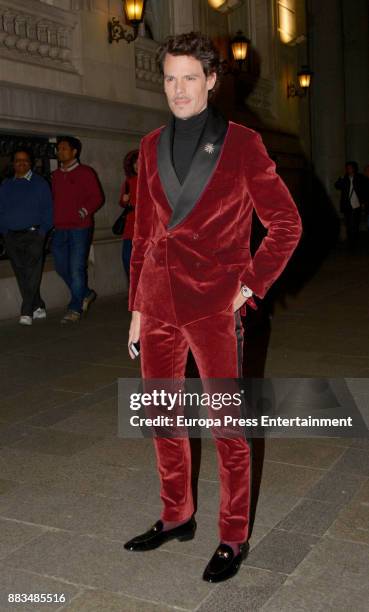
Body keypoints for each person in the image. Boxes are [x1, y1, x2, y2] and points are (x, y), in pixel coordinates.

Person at [124, 32, 302, 583]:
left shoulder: (243, 143)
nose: (178, 90)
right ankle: (176, 514)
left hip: (214, 307)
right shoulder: (151, 144)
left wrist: (247, 287)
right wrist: (135, 308)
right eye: (170, 78)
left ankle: (233, 534)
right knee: (162, 419)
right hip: (156, 305)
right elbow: (146, 232)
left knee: (227, 426)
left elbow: (287, 225)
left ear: (211, 81)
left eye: (189, 78)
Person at [51, 136, 103, 323]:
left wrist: (82, 212)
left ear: (74, 152)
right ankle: (86, 293)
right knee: (60, 265)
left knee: (76, 268)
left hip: (80, 228)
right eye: (59, 148)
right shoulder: (56, 175)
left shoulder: (85, 172)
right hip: (60, 228)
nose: (60, 151)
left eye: (64, 148)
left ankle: (75, 307)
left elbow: (97, 197)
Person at [0, 148, 53, 325]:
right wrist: (4, 230)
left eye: (25, 160)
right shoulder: (6, 184)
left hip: (34, 235)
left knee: (32, 272)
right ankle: (38, 305)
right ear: (13, 163)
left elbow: (49, 209)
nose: (21, 163)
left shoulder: (40, 183)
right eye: (17, 160)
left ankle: (26, 310)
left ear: (31, 163)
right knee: (22, 273)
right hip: (11, 236)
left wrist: (42, 232)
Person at [335, 161, 367, 249]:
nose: (348, 169)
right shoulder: (344, 178)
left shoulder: (360, 177)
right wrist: (341, 178)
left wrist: (363, 202)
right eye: (347, 168)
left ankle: (354, 241)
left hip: (357, 205)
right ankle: (351, 242)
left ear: (353, 168)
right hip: (347, 205)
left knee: (355, 224)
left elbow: (364, 190)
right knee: (349, 224)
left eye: (349, 167)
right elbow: (337, 186)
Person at [119, 150, 138, 281]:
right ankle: (134, 290)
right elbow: (122, 203)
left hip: (148, 228)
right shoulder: (128, 181)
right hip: (130, 226)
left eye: (140, 162)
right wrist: (125, 200)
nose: (137, 165)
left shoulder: (152, 180)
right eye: (134, 163)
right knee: (127, 259)